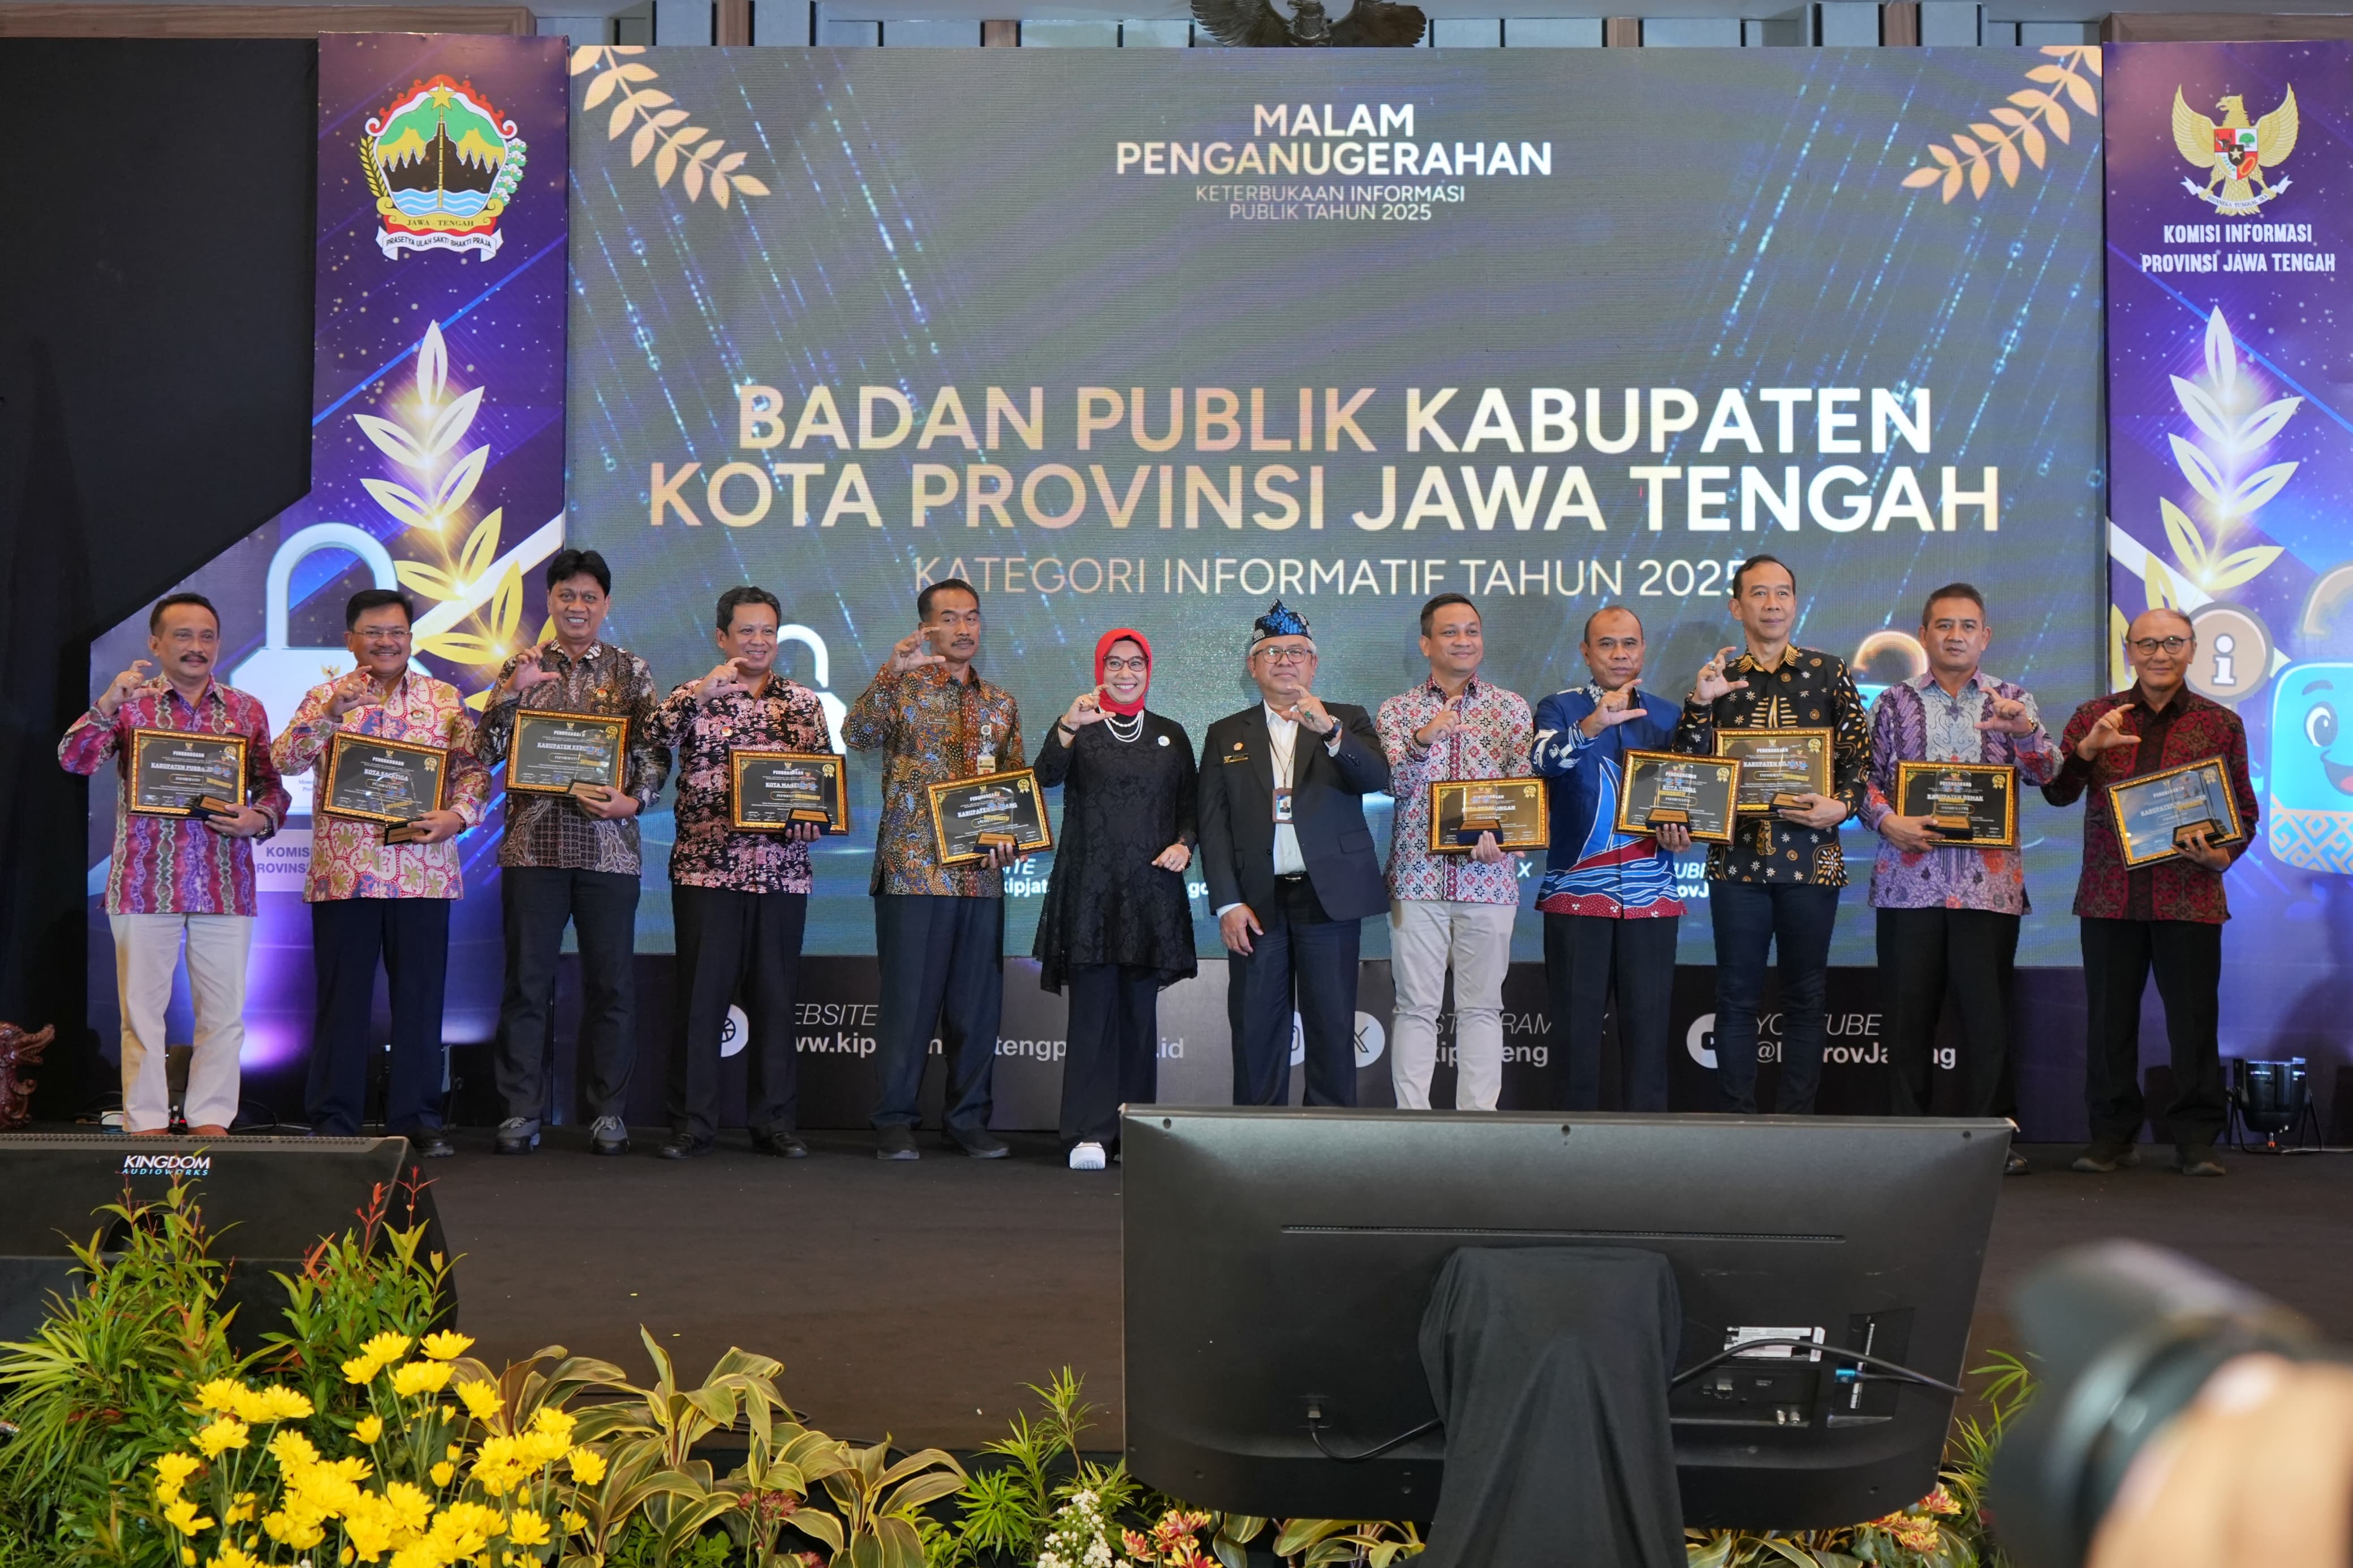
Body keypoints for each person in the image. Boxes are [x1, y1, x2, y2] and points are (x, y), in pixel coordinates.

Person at [59, 593, 289, 1135]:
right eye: (183, 635)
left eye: (207, 636)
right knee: (141, 1013)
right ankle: (145, 1122)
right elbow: (74, 758)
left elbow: (272, 787)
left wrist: (259, 818)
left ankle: (211, 1120)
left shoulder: (246, 709)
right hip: (144, 882)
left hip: (224, 881)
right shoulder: (132, 704)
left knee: (224, 1014)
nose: (196, 647)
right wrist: (106, 704)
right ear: (156, 643)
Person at [270, 589, 488, 1154]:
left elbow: (473, 772)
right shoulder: (325, 696)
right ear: (351, 640)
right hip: (346, 874)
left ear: (411, 639)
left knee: (420, 1000)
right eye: (373, 632)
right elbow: (282, 759)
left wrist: (457, 816)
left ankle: (417, 1118)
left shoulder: (445, 699)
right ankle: (333, 1119)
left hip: (422, 873)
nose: (387, 642)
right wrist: (329, 716)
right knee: (342, 1002)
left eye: (397, 632)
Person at [2044, 607, 2256, 1177]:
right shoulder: (2095, 716)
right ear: (2128, 649)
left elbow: (2243, 811)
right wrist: (2087, 750)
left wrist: (2223, 856)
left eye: (2172, 642)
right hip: (2108, 896)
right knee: (2107, 1024)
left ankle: (2196, 1140)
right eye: (2146, 643)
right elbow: (2057, 792)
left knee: (2193, 1022)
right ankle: (2111, 1137)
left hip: (2189, 895)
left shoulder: (2221, 723)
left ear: (2192, 648)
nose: (2159, 654)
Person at [474, 549, 667, 1156]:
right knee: (527, 985)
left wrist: (633, 802)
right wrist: (510, 695)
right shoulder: (522, 666)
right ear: (550, 601)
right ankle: (520, 1110)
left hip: (609, 851)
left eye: (588, 596)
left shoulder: (631, 671)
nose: (577, 606)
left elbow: (654, 753)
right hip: (533, 849)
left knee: (612, 987)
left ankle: (608, 1113)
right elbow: (483, 751)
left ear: (605, 604)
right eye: (566, 595)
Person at [1859, 584, 2058, 1170]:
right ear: (1923, 634)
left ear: (1984, 636)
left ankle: (1991, 1143)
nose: (1955, 635)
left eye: (1967, 626)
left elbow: (2048, 774)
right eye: (1943, 625)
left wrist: (2024, 732)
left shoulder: (2013, 700)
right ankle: (1906, 1142)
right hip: (1907, 884)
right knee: (1906, 1020)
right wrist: (1887, 820)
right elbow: (1862, 780)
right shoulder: (1892, 702)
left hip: (1986, 888)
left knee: (1987, 1023)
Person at [1675, 555, 1868, 1115]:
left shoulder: (1827, 671)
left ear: (1795, 603)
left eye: (1782, 592)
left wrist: (1843, 805)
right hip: (1736, 862)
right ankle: (1738, 1125)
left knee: (1805, 997)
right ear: (1737, 607)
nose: (1772, 603)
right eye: (1759, 593)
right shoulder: (1718, 677)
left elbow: (1860, 755)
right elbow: (1688, 767)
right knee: (1735, 998)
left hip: (1811, 860)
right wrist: (1699, 705)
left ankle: (1795, 1127)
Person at [645, 586, 831, 1161]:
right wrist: (699, 695)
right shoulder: (693, 696)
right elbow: (649, 741)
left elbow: (819, 785)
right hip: (706, 872)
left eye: (768, 631)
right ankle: (691, 1124)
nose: (758, 641)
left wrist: (814, 821)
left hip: (782, 874)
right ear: (722, 636)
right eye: (746, 630)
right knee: (701, 1002)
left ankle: (774, 1122)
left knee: (776, 1001)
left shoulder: (802, 702)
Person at [844, 578, 1022, 1161]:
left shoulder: (1000, 703)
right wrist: (890, 671)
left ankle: (967, 1120)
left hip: (980, 878)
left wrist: (1013, 838)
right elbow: (857, 734)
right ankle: (894, 1120)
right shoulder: (902, 689)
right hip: (913, 871)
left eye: (972, 617)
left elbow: (1012, 786)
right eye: (949, 618)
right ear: (926, 627)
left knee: (977, 1009)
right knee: (908, 1006)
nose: (963, 628)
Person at [1197, 601, 1392, 1107]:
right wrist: (1227, 902)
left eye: (1297, 652)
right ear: (1253, 666)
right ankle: (1257, 1137)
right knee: (1256, 1025)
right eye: (1272, 652)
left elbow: (1377, 777)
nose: (1285, 660)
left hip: (1328, 897)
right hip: (1255, 903)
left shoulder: (1347, 718)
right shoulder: (1226, 733)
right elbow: (1213, 826)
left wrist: (1329, 731)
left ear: (1314, 664)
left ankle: (1329, 1138)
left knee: (1332, 1023)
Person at [1032, 629, 1197, 1169]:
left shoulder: (1171, 734)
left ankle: (1134, 1131)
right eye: (1115, 663)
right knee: (1091, 1017)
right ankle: (1088, 1132)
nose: (1126, 673)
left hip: (1150, 895)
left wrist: (1184, 843)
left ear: (1149, 670)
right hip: (1090, 893)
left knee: (1139, 1018)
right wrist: (1067, 725)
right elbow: (1042, 778)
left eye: (1136, 663)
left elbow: (1191, 807)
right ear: (1100, 669)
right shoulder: (1080, 727)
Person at [1375, 594, 1532, 1112]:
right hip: (1416, 880)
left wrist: (1504, 838)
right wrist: (1423, 739)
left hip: (1490, 882)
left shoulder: (1511, 708)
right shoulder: (1398, 710)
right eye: (1450, 632)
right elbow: (1395, 785)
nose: (1463, 641)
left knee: (1483, 1007)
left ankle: (1478, 1125)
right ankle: (1412, 1125)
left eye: (1471, 631)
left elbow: (1524, 790)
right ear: (1426, 644)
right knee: (1415, 1007)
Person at [1529, 606, 1688, 1112]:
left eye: (1629, 644)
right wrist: (1594, 723)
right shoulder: (1559, 707)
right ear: (1585, 652)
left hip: (1652, 897)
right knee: (1575, 1036)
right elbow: (1543, 762)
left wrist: (1684, 830)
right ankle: (1571, 1144)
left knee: (1649, 1036)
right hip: (1576, 897)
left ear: (1643, 650)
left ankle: (1647, 1147)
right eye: (1606, 644)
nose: (1620, 654)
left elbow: (1692, 793)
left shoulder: (1668, 715)